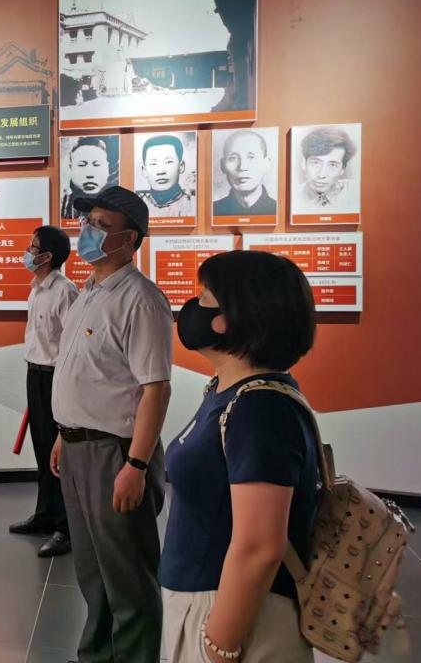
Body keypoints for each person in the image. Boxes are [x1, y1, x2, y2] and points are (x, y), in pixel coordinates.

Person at [161, 250, 319, 663]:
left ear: (233, 319)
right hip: (201, 598)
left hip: (235, 613)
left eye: (204, 298)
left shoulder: (260, 410)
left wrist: (220, 643)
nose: (192, 308)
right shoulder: (230, 392)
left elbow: (260, 546)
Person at [50, 185, 173, 663]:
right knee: (93, 573)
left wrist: (136, 465)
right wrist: (63, 435)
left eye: (102, 225)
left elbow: (155, 390)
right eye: (88, 222)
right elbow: (83, 372)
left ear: (130, 240)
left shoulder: (141, 300)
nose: (88, 231)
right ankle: (97, 656)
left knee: (128, 577)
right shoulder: (88, 293)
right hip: (77, 448)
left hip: (115, 454)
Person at [10, 225, 78, 557]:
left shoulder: (66, 292)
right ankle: (45, 514)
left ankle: (66, 527)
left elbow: (72, 346)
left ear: (47, 256)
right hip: (35, 373)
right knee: (41, 448)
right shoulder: (36, 289)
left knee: (59, 454)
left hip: (56, 377)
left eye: (32, 247)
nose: (27, 251)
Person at [213, 130, 277, 217]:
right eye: (233, 158)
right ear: (222, 165)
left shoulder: (278, 211)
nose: (242, 167)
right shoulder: (213, 211)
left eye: (251, 157)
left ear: (266, 164)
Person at [296, 126, 358, 211]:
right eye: (316, 163)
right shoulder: (293, 194)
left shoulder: (355, 192)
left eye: (332, 165)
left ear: (343, 169)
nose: (322, 175)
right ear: (303, 163)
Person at [136, 135, 196, 219]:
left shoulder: (193, 204)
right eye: (153, 164)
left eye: (168, 162)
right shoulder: (135, 205)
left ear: (181, 166)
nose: (161, 171)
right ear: (144, 170)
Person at [60, 137, 111, 220]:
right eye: (82, 165)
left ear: (107, 167)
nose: (90, 174)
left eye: (97, 164)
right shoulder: (65, 203)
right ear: (70, 167)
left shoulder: (115, 203)